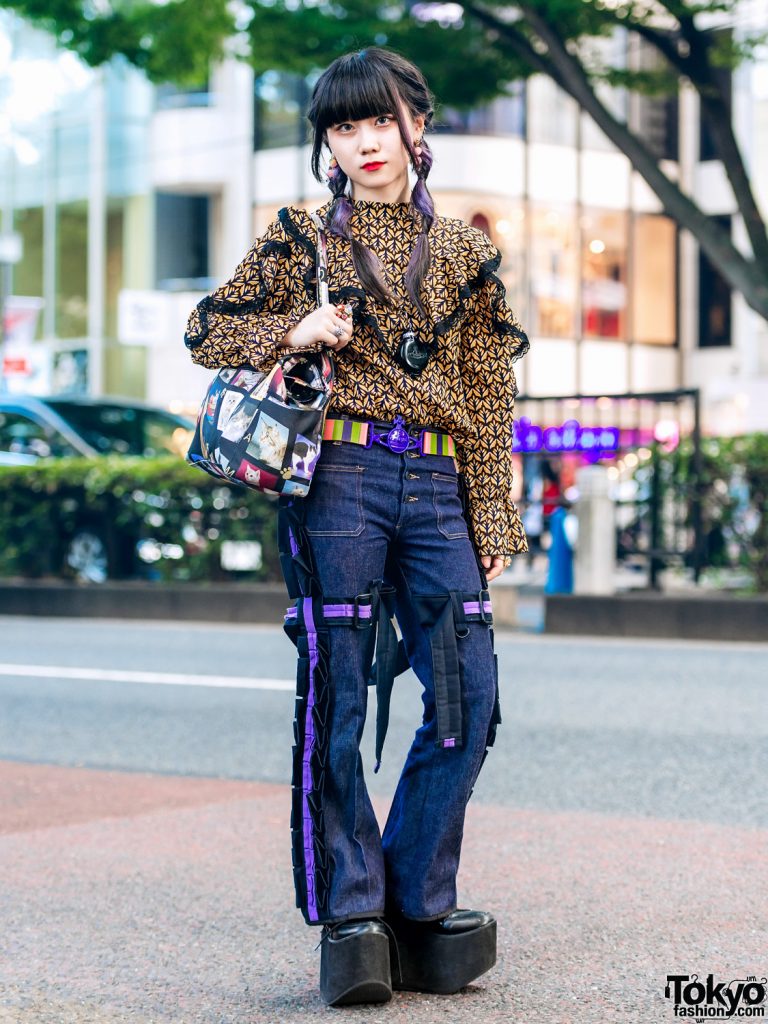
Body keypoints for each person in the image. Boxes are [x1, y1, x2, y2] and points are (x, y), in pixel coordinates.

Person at [184, 47, 529, 1008]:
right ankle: (354, 913)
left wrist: (491, 507)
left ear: (418, 121)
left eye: (379, 119)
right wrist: (294, 332)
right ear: (326, 142)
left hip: (437, 480)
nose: (364, 141)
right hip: (337, 471)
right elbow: (208, 328)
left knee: (471, 694)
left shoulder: (464, 251)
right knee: (335, 695)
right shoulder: (301, 237)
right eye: (342, 126)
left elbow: (491, 392)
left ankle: (417, 898)